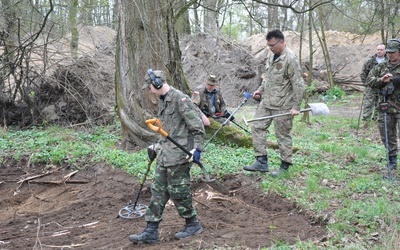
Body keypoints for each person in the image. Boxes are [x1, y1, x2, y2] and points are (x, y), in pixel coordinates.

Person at [129, 69, 206, 244]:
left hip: (180, 156)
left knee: (179, 192)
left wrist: (197, 150)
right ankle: (150, 230)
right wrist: (156, 146)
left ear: (157, 83)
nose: (149, 90)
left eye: (150, 86)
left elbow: (197, 126)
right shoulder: (163, 100)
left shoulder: (180, 99)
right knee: (158, 191)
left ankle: (192, 224)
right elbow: (167, 129)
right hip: (165, 154)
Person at [243, 30, 306, 177]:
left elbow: (298, 84)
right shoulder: (272, 57)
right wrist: (260, 90)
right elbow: (268, 78)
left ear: (282, 42)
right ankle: (261, 161)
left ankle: (285, 165)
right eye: (268, 45)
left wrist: (296, 106)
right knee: (257, 127)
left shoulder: (290, 59)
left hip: (283, 104)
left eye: (272, 45)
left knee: (282, 135)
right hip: (267, 102)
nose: (270, 48)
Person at [367, 39, 400, 171]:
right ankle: (391, 160)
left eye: (393, 52)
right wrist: (382, 80)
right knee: (387, 134)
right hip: (386, 106)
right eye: (389, 52)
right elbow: (369, 80)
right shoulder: (382, 66)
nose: (391, 55)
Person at [360, 44, 387, 122]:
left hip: (383, 87)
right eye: (378, 49)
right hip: (371, 87)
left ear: (385, 51)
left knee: (380, 104)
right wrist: (367, 84)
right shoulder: (370, 61)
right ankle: (366, 121)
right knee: (368, 104)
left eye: (381, 50)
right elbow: (363, 73)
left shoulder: (388, 61)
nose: (379, 51)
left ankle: (376, 120)